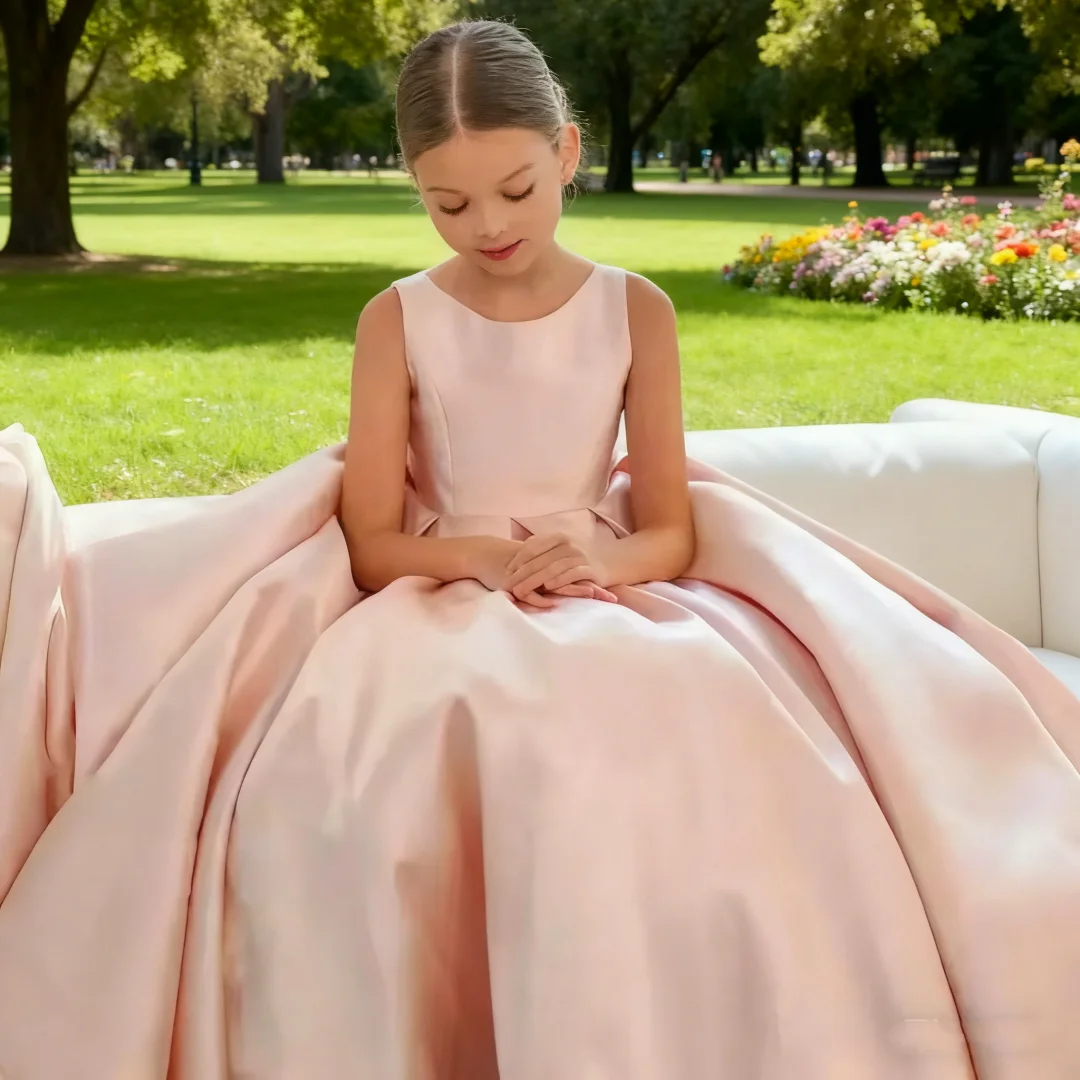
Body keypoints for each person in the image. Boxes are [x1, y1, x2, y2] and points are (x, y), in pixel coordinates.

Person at [1, 18, 1080, 1080]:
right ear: (417, 187)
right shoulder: (397, 319)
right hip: (444, 586)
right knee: (423, 731)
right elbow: (373, 542)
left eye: (516, 190)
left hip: (600, 581)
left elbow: (669, 526)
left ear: (565, 152)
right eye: (449, 204)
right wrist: (478, 559)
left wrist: (599, 567)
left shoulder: (636, 310)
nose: (487, 226)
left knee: (686, 718)